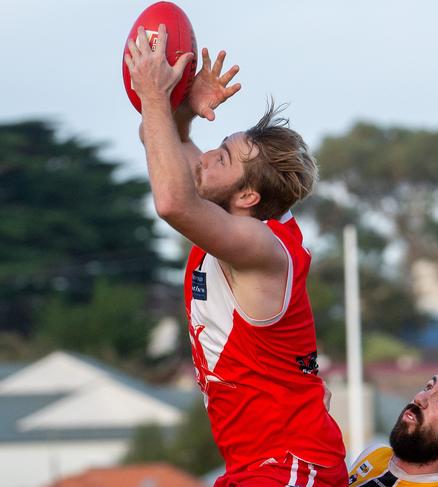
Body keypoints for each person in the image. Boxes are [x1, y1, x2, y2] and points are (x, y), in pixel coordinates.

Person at [124, 25, 346, 487]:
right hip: (255, 466)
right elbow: (157, 138)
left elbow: (171, 201)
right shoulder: (226, 212)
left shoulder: (259, 247)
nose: (205, 158)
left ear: (247, 196)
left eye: (222, 157)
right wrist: (181, 105)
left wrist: (153, 90)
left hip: (290, 465)